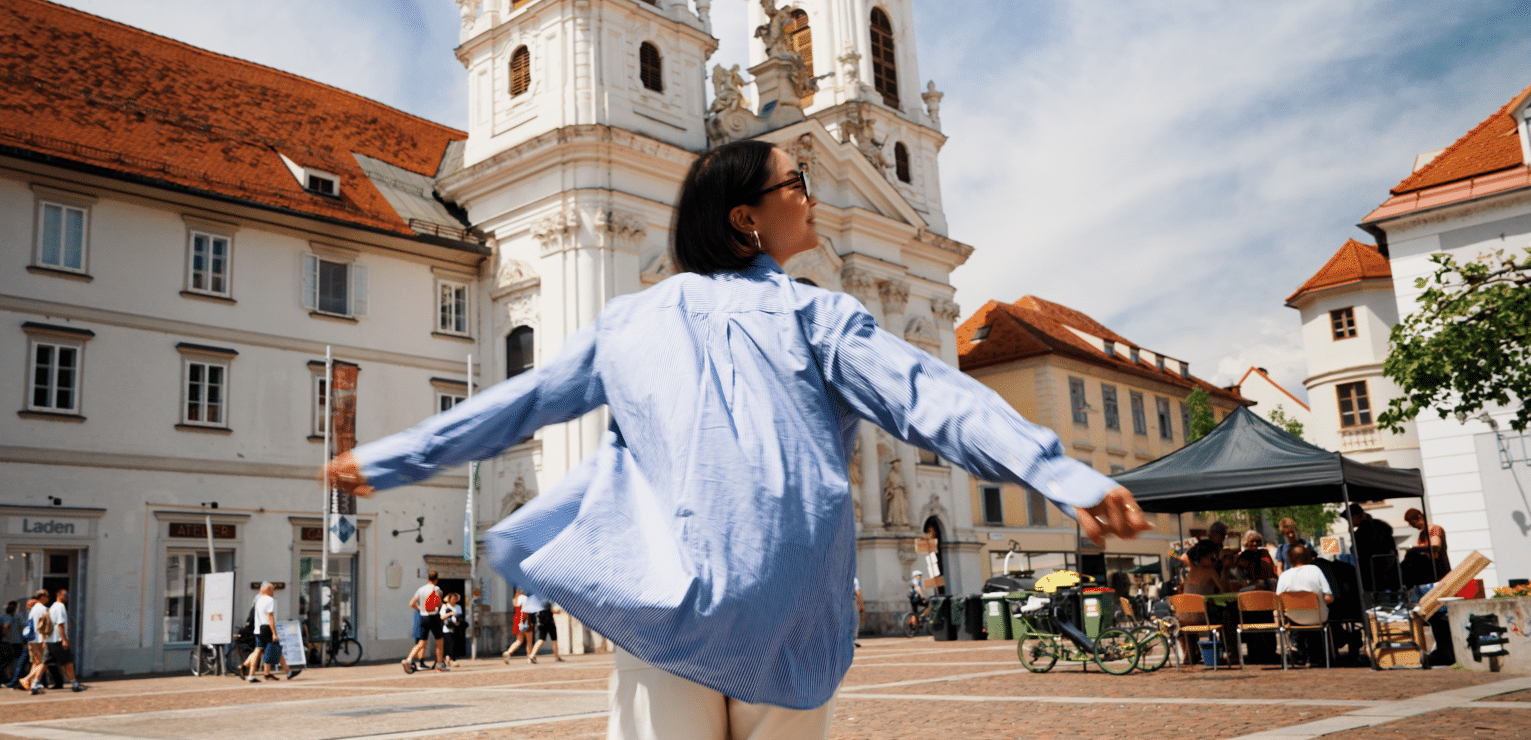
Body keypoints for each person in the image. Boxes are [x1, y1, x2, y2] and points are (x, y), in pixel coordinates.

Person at [322, 140, 1149, 738]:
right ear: (747, 217)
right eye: (799, 182)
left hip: (663, 602)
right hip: (784, 605)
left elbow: (520, 405)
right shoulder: (815, 314)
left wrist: (392, 458)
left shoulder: (632, 320)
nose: (812, 195)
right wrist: (1062, 475)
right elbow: (930, 398)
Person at [1276, 544, 1334, 666]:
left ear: (1290, 559)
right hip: (1316, 616)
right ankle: (1314, 658)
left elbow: (1278, 602)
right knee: (1315, 618)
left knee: (1297, 617)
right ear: (1308, 557)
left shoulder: (1284, 576)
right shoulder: (1316, 570)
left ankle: (1296, 643)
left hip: (1294, 617)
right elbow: (1328, 597)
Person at [1347, 504, 1399, 594]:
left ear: (1355, 517)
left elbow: (1356, 552)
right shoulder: (1380, 526)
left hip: (1373, 575)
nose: (1349, 522)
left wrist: (1351, 532)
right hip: (1390, 575)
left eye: (1350, 519)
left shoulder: (1362, 532)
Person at [244, 582, 290, 682]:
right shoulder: (270, 600)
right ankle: (286, 672)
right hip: (266, 628)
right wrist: (274, 633)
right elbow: (270, 617)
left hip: (258, 629)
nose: (273, 592)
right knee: (273, 648)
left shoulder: (258, 600)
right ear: (268, 590)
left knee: (259, 650)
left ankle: (256, 673)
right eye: (272, 589)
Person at [45, 588, 85, 691]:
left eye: (68, 594)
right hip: (58, 639)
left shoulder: (52, 606)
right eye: (65, 594)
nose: (67, 596)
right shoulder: (60, 606)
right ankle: (74, 684)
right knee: (68, 662)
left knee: (46, 663)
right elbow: (60, 625)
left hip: (50, 639)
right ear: (58, 595)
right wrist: (64, 640)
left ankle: (34, 682)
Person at [406, 571, 446, 672]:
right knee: (440, 642)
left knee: (422, 642)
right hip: (433, 617)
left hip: (423, 617)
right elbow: (437, 604)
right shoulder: (436, 589)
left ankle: (408, 660)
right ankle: (439, 666)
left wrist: (419, 608)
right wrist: (441, 601)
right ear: (436, 579)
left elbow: (411, 603)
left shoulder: (420, 589)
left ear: (428, 578)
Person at [1402, 508, 1450, 587]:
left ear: (1420, 517)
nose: (1413, 526)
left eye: (1413, 523)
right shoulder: (1421, 534)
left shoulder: (1434, 529)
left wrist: (1415, 549)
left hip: (1439, 567)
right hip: (1429, 568)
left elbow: (1436, 546)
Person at [18, 590, 52, 694]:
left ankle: (33, 686)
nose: (48, 598)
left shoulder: (33, 609)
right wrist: (45, 640)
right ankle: (27, 679)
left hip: (32, 639)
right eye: (47, 596)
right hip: (39, 640)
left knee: (35, 663)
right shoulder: (42, 609)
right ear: (42, 596)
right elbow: (43, 625)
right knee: (42, 663)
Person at [0, 600, 24, 686]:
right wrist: (8, 636)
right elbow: (7, 627)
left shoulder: (1, 617)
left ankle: (2, 678)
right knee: (11, 659)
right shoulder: (11, 617)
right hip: (9, 642)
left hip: (0, 642)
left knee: (2, 660)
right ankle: (0, 674)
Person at [526, 594, 564, 664]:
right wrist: (559, 612)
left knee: (541, 640)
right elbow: (553, 610)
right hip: (550, 622)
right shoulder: (548, 600)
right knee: (554, 640)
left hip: (540, 623)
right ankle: (557, 657)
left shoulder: (538, 600)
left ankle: (531, 655)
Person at [501, 588, 533, 664]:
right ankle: (529, 657)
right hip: (525, 620)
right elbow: (524, 611)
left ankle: (508, 652)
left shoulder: (515, 599)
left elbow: (518, 610)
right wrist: (523, 621)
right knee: (529, 641)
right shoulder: (524, 598)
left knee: (519, 640)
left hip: (516, 619)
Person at [439, 592, 466, 666]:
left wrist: (458, 622)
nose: (454, 600)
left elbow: (460, 616)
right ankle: (451, 659)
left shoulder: (458, 607)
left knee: (455, 644)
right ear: (449, 599)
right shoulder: (445, 606)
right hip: (447, 628)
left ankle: (448, 658)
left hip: (456, 627)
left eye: (456, 599)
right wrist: (450, 614)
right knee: (450, 643)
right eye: (453, 599)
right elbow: (442, 617)